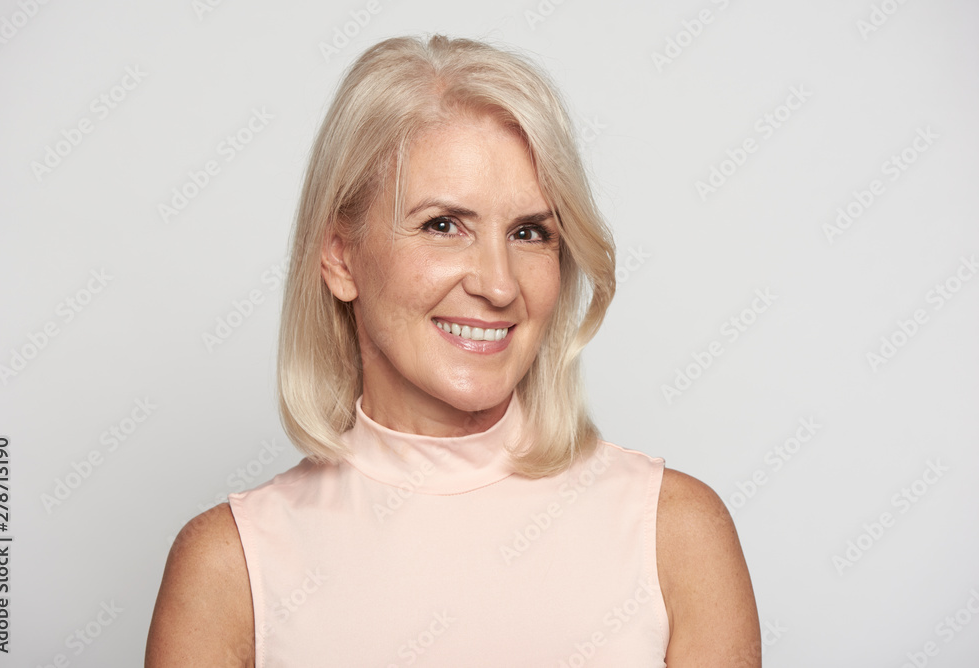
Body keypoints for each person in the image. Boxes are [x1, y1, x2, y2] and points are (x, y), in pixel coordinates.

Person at [145, 34, 760, 666]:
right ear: (340, 257)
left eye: (530, 232)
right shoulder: (229, 571)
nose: (497, 284)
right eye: (443, 225)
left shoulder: (676, 534)